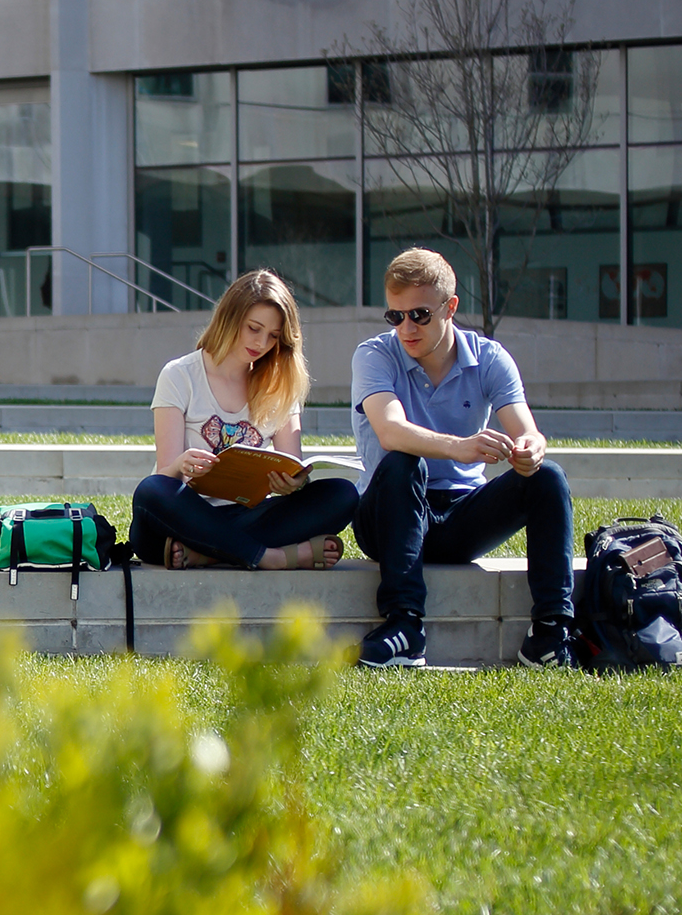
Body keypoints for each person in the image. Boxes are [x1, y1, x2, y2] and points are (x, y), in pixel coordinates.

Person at [349, 248, 575, 669]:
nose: (406, 328)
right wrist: (460, 445)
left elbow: (527, 430)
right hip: (387, 513)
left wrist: (529, 451)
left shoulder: (489, 358)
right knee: (403, 460)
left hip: (459, 517)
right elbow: (391, 431)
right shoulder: (374, 355)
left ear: (450, 307)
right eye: (395, 317)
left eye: (419, 315)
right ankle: (405, 627)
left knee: (549, 478)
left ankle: (550, 634)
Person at [128, 269, 356, 570]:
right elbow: (165, 477)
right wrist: (181, 465)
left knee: (342, 495)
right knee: (151, 492)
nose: (261, 343)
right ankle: (273, 557)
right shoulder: (180, 375)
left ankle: (210, 554)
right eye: (254, 328)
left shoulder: (280, 385)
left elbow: (293, 465)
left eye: (274, 336)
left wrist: (292, 484)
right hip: (187, 514)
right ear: (230, 317)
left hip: (250, 513)